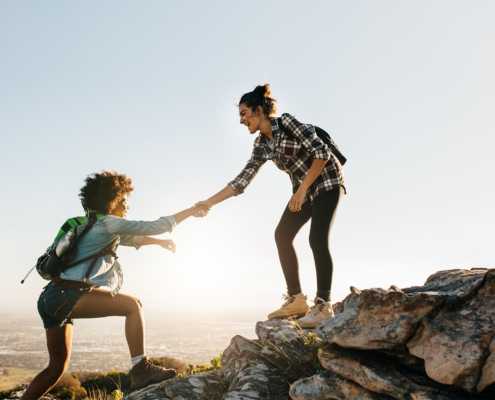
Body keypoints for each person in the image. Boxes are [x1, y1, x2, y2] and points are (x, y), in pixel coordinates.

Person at [22, 171, 208, 399]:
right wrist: (191, 210)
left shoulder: (89, 226)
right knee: (133, 305)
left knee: (55, 369)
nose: (127, 205)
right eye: (124, 199)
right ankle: (141, 369)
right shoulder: (109, 223)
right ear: (112, 200)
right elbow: (155, 225)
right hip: (68, 296)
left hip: (50, 299)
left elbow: (133, 239)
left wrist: (159, 243)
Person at [195, 84, 345, 329]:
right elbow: (242, 181)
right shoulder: (261, 145)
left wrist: (302, 189)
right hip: (303, 191)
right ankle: (296, 299)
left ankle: (323, 305)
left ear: (258, 110)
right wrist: (209, 202)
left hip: (327, 181)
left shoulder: (287, 122)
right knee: (282, 235)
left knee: (317, 238)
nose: (242, 120)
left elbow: (322, 153)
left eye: (244, 113)